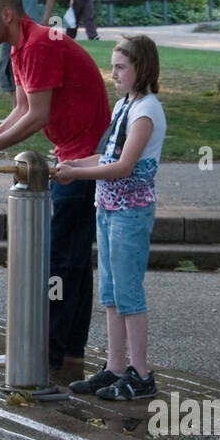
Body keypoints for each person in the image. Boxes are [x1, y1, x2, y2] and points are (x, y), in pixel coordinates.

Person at [0, 0, 110, 374]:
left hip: (84, 156)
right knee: (71, 259)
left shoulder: (40, 44)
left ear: (7, 15)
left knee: (59, 259)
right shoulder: (20, 46)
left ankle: (43, 354)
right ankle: (66, 353)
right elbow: (22, 109)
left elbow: (37, 116)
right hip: (73, 153)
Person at [56, 35, 166, 401]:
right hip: (108, 208)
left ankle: (141, 374)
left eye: (120, 67)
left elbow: (123, 167)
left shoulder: (146, 111)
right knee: (111, 293)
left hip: (131, 212)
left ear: (142, 69)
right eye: (113, 66)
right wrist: (71, 164)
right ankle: (116, 366)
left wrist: (75, 174)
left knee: (129, 294)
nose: (113, 74)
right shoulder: (125, 105)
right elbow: (104, 157)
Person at [0, 0, 55, 108]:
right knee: (30, 67)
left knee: (10, 67)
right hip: (35, 29)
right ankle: (29, 107)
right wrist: (46, 18)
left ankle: (18, 108)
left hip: (15, 29)